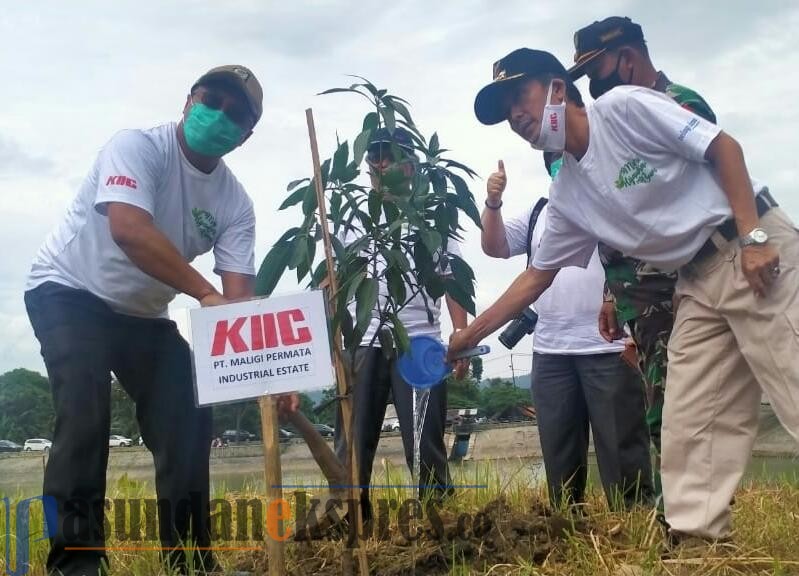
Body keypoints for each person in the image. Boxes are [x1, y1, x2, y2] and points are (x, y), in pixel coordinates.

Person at [454, 47, 799, 542]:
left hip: (747, 246)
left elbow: (723, 147)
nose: (515, 115)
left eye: (519, 96)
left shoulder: (623, 109)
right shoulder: (568, 194)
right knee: (689, 421)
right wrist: (465, 336)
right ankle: (696, 546)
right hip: (694, 281)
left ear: (557, 88)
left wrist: (754, 238)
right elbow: (535, 277)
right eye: (506, 111)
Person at [24, 65, 275, 575]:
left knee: (189, 411)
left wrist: (273, 372)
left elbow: (238, 304)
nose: (219, 115)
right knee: (84, 409)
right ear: (188, 100)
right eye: (212, 100)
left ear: (246, 136)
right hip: (69, 291)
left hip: (144, 314)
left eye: (235, 114)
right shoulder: (137, 146)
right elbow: (129, 229)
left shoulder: (235, 204)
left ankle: (191, 562)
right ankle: (75, 564)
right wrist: (204, 293)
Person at [568, 16, 718, 514]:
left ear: (626, 59)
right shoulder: (614, 127)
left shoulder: (681, 107)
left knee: (686, 406)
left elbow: (706, 199)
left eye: (596, 74)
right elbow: (619, 217)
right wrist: (612, 295)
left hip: (689, 288)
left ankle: (690, 515)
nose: (593, 89)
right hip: (641, 300)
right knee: (662, 404)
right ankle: (679, 514)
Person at [480, 152, 652, 509]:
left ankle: (635, 521)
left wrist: (634, 333)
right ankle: (566, 524)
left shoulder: (613, 202)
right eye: (554, 159)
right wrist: (492, 203)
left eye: (568, 156)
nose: (561, 165)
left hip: (608, 348)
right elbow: (494, 247)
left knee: (622, 448)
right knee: (559, 450)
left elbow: (643, 264)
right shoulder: (539, 212)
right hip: (551, 352)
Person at [334, 127, 469, 519]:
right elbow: (334, 283)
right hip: (363, 340)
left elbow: (452, 279)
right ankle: (350, 521)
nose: (379, 163)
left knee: (424, 440)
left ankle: (438, 519)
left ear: (410, 166)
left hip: (421, 341)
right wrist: (333, 344)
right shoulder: (350, 221)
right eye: (373, 156)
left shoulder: (432, 222)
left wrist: (460, 336)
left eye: (388, 155)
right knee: (353, 440)